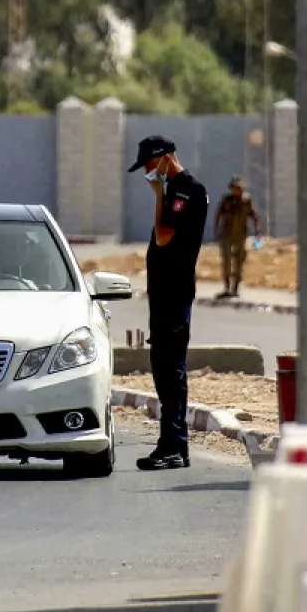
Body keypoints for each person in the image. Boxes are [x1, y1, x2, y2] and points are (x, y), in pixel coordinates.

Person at [127, 135, 208, 471]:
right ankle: (175, 444)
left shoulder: (184, 189)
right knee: (163, 367)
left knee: (170, 369)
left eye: (150, 164)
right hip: (164, 293)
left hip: (174, 292)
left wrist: (159, 194)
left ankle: (172, 445)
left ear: (164, 158)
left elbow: (164, 236)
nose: (148, 170)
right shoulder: (175, 190)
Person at [213, 177, 261, 299]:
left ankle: (235, 288)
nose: (236, 191)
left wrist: (257, 231)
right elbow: (218, 214)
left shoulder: (247, 201)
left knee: (239, 262)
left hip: (240, 236)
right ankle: (227, 287)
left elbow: (254, 216)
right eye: (234, 188)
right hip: (226, 234)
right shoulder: (227, 200)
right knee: (227, 262)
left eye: (238, 188)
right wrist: (217, 229)